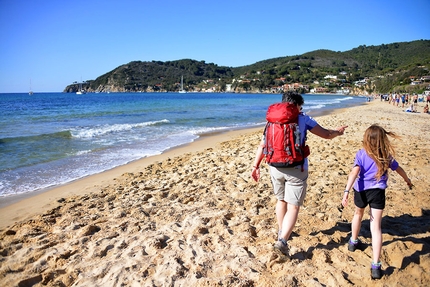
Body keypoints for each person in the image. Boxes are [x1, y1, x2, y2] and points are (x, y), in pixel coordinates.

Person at [251, 91, 348, 257]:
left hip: (275, 167)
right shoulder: (304, 119)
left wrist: (255, 165)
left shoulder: (272, 120)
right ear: (296, 105)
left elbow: (262, 145)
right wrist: (338, 132)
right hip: (297, 167)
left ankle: (283, 231)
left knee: (281, 200)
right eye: (300, 106)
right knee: (294, 205)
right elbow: (326, 134)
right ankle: (282, 241)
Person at [341, 124, 413, 280]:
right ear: (382, 140)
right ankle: (375, 266)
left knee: (357, 215)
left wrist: (346, 191)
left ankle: (353, 242)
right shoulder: (385, 155)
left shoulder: (361, 154)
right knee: (376, 227)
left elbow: (354, 172)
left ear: (366, 139)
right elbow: (399, 169)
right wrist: (407, 180)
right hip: (377, 192)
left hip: (360, 190)